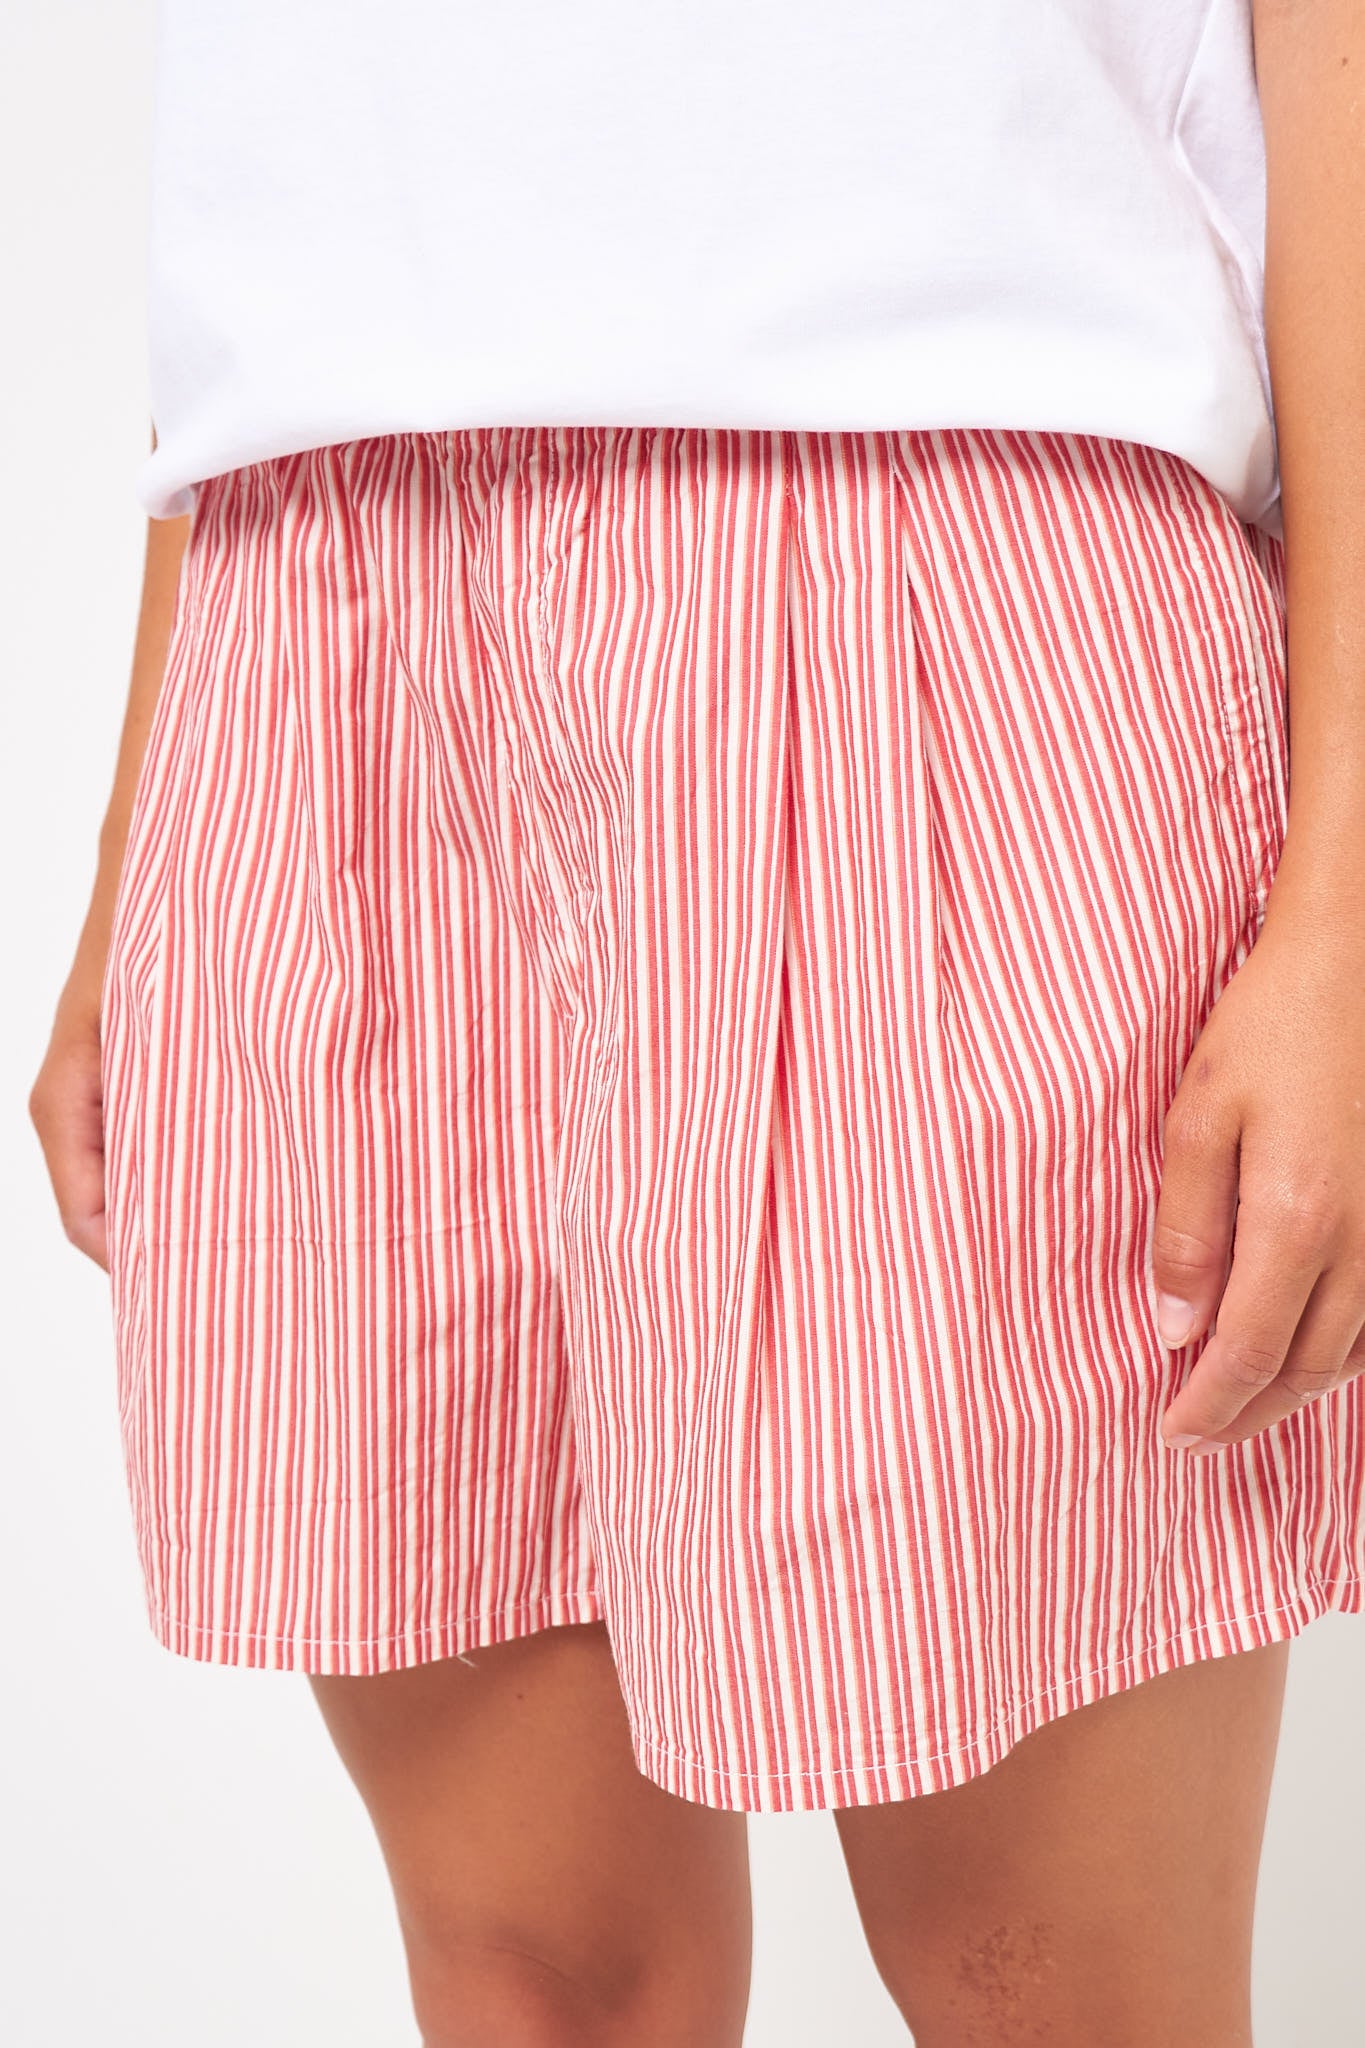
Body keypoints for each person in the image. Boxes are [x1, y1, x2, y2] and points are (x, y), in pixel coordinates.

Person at [28, 3, 1365, 2042]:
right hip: (324, 615)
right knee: (535, 1984)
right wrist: (142, 833)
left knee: (1056, 1998)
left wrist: (1344, 896)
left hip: (941, 571)